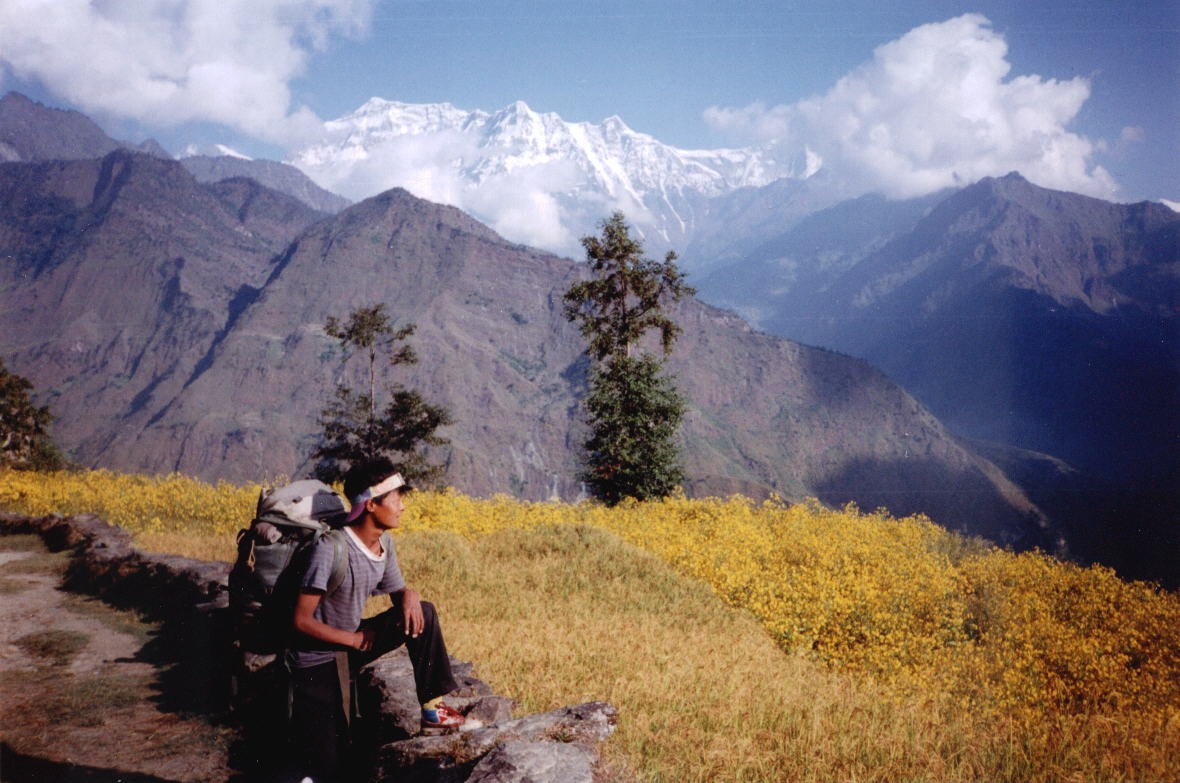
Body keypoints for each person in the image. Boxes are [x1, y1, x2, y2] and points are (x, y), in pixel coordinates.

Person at [287, 457, 467, 783]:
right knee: (327, 766)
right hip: (316, 661)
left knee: (422, 610)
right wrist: (354, 640)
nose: (403, 507)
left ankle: (433, 709)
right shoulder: (331, 549)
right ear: (370, 504)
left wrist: (409, 595)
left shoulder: (385, 543)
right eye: (396, 498)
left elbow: (398, 592)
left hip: (351, 644)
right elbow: (300, 621)